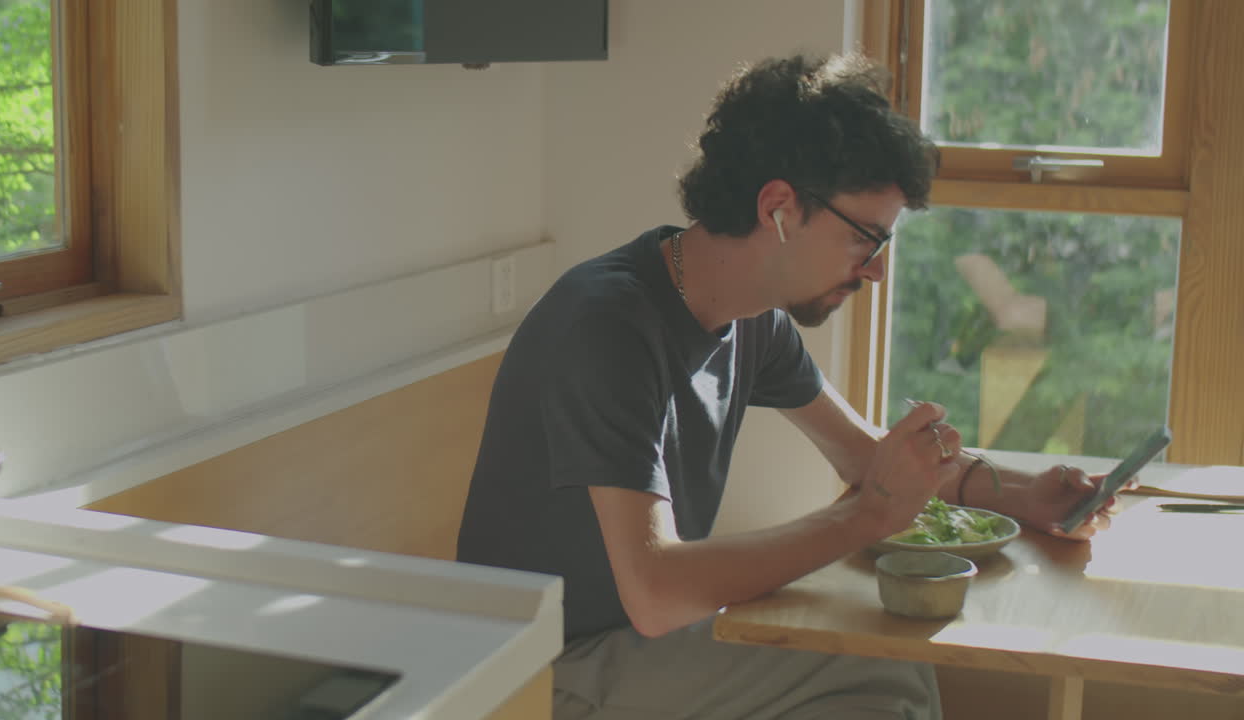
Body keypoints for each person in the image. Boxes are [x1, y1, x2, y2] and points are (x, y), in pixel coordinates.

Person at [457, 52, 1119, 720]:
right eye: (867, 240)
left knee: (882, 668)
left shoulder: (753, 322)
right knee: (877, 667)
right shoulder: (607, 328)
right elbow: (655, 591)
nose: (876, 271)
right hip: (540, 670)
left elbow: (868, 458)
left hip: (630, 644)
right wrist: (865, 516)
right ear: (778, 207)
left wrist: (1028, 495)